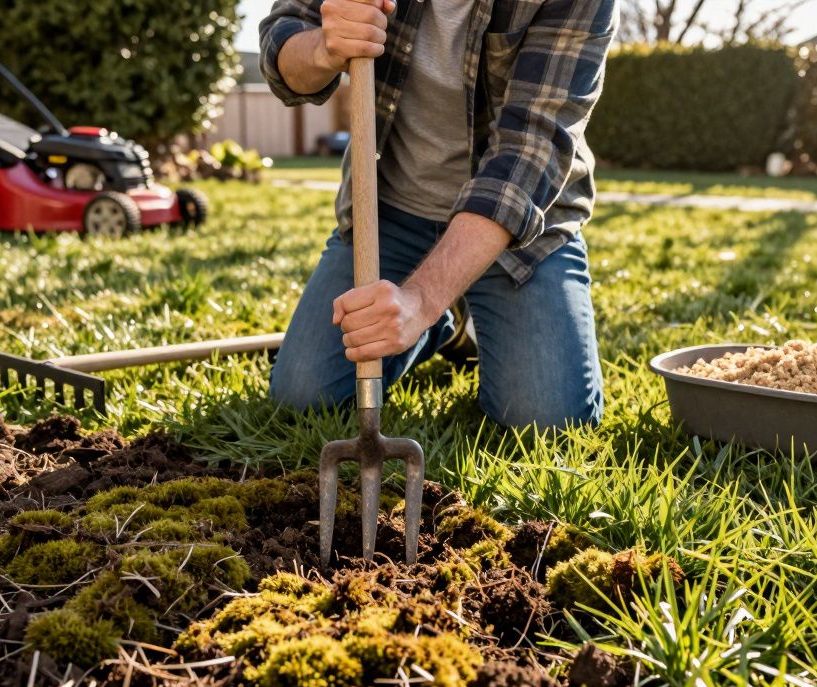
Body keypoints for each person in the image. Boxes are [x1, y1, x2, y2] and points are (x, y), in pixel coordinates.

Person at [261, 0, 615, 429]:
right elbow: (282, 40)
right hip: (391, 213)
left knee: (547, 420)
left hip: (519, 232)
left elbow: (529, 153)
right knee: (303, 397)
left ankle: (438, 303)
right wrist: (322, 48)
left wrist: (421, 299)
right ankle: (447, 324)